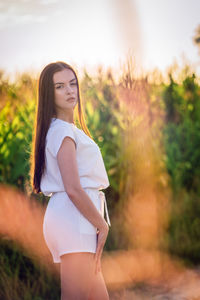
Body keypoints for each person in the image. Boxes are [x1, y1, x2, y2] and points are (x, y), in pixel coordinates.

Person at [30, 61, 111, 299]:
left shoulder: (62, 129)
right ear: (49, 93)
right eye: (60, 86)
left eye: (73, 84)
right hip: (75, 221)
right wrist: (102, 224)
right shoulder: (63, 132)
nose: (69, 91)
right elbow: (73, 188)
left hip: (71, 218)